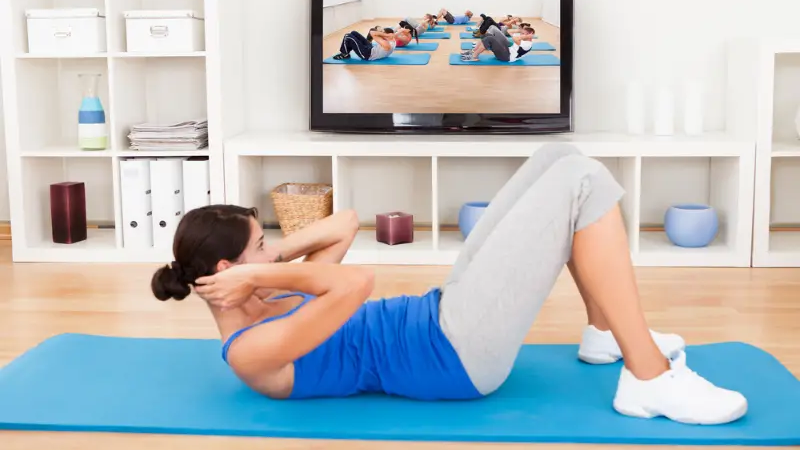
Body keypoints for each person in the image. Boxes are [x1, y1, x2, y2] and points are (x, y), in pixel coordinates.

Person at [151, 144, 748, 426]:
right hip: (457, 358)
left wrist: (264, 259)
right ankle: (648, 380)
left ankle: (602, 333)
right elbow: (355, 282)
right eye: (260, 244)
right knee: (582, 181)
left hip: (445, 313)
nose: (272, 248)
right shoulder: (251, 352)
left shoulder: (268, 287)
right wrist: (259, 271)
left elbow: (344, 222)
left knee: (557, 158)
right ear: (230, 272)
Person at [461, 25, 536, 63]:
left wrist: (526, 36)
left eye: (524, 34)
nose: (521, 35)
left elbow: (515, 39)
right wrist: (521, 31)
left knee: (490, 39)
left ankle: (473, 57)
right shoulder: (522, 38)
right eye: (521, 33)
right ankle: (473, 51)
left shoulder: (527, 45)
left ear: (530, 35)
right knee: (488, 34)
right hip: (506, 50)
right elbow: (510, 32)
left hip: (507, 57)